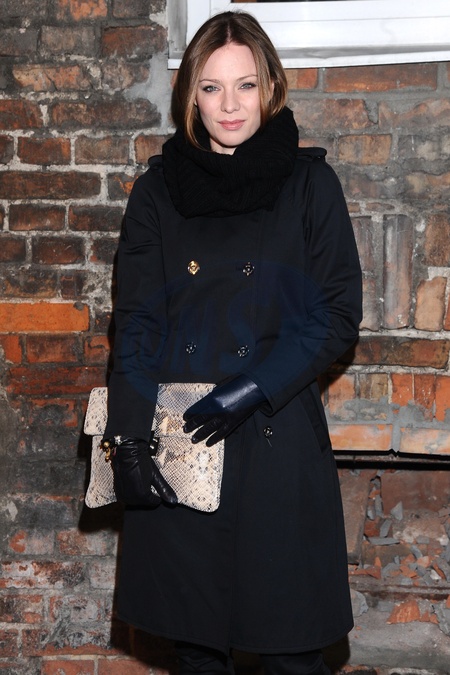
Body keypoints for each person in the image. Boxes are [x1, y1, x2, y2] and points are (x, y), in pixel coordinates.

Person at [103, 10, 362, 675]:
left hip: (277, 439)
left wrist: (253, 387)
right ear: (190, 94)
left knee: (290, 654)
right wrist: (127, 439)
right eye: (212, 87)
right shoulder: (157, 193)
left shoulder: (310, 184)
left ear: (269, 87)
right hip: (184, 445)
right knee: (197, 653)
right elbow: (135, 322)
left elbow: (337, 312)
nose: (229, 105)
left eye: (245, 85)